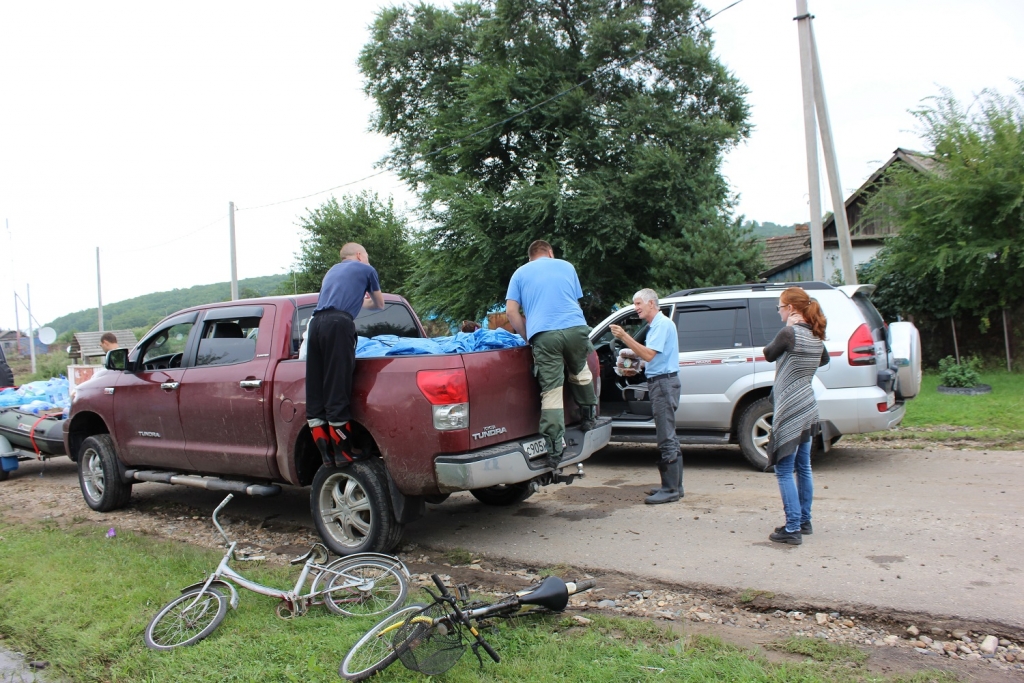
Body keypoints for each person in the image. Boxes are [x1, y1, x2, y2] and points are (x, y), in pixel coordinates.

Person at [505, 240, 598, 476]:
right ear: (550, 252)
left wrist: (528, 336)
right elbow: (574, 301)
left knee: (552, 392)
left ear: (530, 258)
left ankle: (555, 451)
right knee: (580, 372)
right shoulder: (566, 266)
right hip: (576, 328)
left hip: (544, 335)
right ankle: (589, 416)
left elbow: (511, 311)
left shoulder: (519, 273)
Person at [306, 243, 385, 468]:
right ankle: (344, 453)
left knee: (316, 385)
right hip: (339, 324)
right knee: (337, 383)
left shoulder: (331, 271)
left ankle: (326, 454)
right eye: (367, 255)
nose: (368, 260)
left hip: (315, 324)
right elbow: (379, 304)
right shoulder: (366, 270)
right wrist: (362, 300)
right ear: (360, 255)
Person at [763, 286, 830, 545]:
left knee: (783, 469)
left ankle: (791, 528)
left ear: (791, 308)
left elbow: (769, 354)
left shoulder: (789, 333)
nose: (779, 311)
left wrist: (789, 327)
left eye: (780, 307)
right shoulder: (815, 335)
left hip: (789, 407)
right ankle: (804, 520)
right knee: (804, 466)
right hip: (807, 405)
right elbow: (822, 360)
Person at [610, 289, 682, 504]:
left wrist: (624, 337)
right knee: (669, 433)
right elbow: (653, 357)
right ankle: (675, 486)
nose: (636, 307)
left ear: (652, 303)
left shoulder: (661, 325)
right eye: (634, 303)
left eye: (639, 303)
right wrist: (638, 366)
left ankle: (670, 489)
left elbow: (650, 353)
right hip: (663, 381)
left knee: (665, 435)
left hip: (663, 384)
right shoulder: (658, 326)